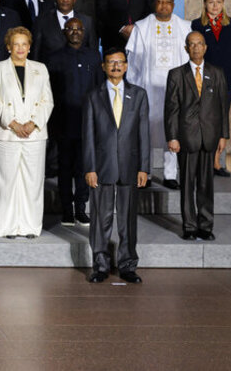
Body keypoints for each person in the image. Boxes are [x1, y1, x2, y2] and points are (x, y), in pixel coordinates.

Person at [82, 48, 150, 284]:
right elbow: (88, 135)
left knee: (128, 219)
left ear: (127, 66)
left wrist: (144, 168)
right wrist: (89, 168)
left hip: (130, 166)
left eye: (120, 62)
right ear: (103, 66)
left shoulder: (139, 95)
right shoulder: (93, 95)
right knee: (101, 218)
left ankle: (128, 265)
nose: (116, 66)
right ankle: (100, 265)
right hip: (101, 166)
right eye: (111, 62)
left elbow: (144, 134)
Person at [0, 26, 54, 239]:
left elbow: (47, 100)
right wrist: (13, 123)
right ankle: (5, 227)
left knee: (33, 182)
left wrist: (33, 124)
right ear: (8, 47)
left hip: (34, 135)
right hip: (7, 134)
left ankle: (30, 226)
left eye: (25, 44)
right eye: (16, 44)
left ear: (30, 47)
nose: (21, 48)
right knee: (6, 182)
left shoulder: (40, 69)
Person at [165, 32, 229, 241]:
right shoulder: (176, 74)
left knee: (206, 184)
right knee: (187, 184)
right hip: (186, 137)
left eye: (199, 44)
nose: (196, 48)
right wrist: (172, 137)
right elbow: (171, 109)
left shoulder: (217, 73)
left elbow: (222, 107)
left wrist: (223, 135)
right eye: (191, 45)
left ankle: (206, 225)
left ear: (205, 47)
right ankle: (190, 226)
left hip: (210, 136)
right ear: (186, 49)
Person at [125, 0, 189, 189]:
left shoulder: (184, 27)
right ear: (154, 4)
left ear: (173, 4)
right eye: (159, 1)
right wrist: (134, 90)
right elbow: (133, 63)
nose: (163, 5)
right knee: (146, 130)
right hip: (148, 89)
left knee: (172, 129)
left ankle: (170, 174)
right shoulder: (142, 27)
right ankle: (147, 173)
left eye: (167, 1)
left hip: (174, 91)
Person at [46, 18, 103, 226]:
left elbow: (99, 89)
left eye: (79, 29)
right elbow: (48, 91)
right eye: (71, 29)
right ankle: (66, 210)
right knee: (64, 168)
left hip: (87, 123)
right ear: (64, 31)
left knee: (83, 166)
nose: (76, 32)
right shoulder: (53, 58)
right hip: (62, 122)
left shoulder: (94, 56)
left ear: (84, 32)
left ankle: (80, 208)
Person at [190, 0, 231, 177]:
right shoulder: (197, 24)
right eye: (211, 2)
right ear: (205, 4)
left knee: (221, 120)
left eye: (218, 2)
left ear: (223, 4)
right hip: (205, 79)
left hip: (227, 79)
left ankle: (216, 163)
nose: (215, 6)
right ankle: (202, 162)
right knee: (204, 119)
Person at [31, 0, 97, 62]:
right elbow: (35, 52)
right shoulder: (42, 21)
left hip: (79, 70)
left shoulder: (87, 21)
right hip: (50, 70)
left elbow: (93, 51)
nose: (65, 0)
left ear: (74, 0)